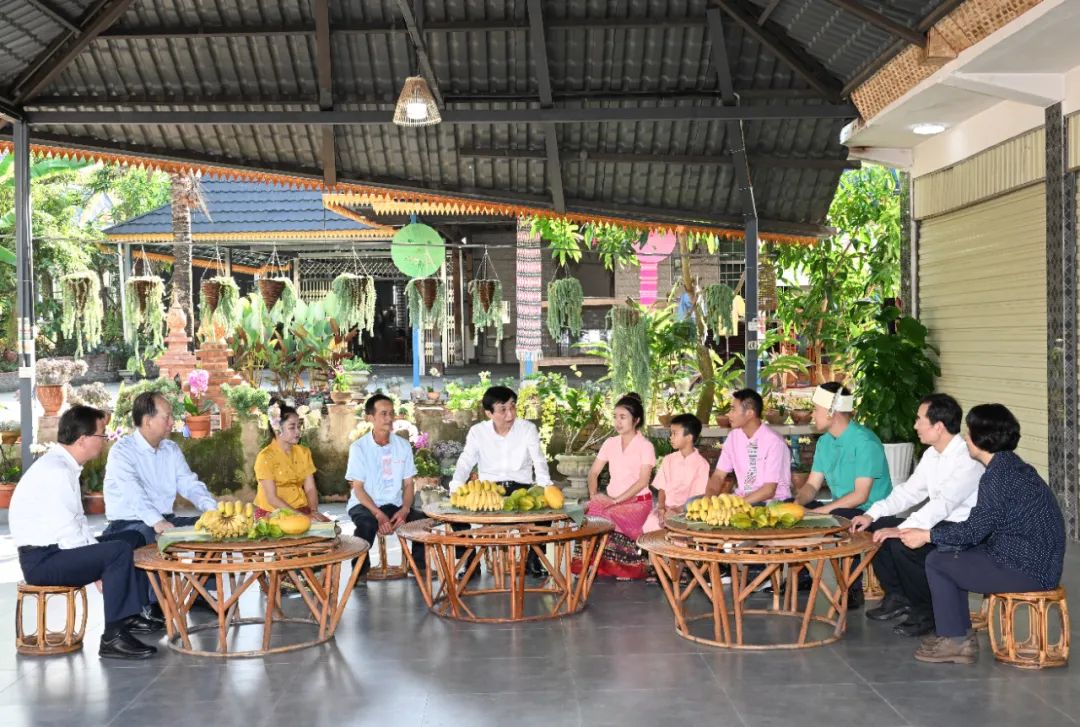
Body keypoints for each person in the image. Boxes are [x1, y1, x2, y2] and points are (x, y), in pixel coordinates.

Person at [900, 404, 1066, 665]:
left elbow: (974, 530)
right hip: (1033, 561)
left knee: (938, 561)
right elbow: (981, 527)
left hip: (1028, 569)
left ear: (982, 438)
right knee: (950, 553)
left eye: (969, 432)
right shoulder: (1011, 466)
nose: (965, 438)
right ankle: (957, 633)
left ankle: (956, 639)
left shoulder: (997, 476)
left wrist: (927, 535)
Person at [10, 406, 161, 660]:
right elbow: (68, 533)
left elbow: (78, 524)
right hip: (42, 561)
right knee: (117, 552)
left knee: (132, 537)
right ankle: (113, 636)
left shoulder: (64, 466)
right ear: (82, 440)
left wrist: (97, 557)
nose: (105, 439)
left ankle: (129, 616)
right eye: (101, 434)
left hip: (57, 550)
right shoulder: (57, 471)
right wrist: (99, 567)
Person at [849, 394, 983, 637]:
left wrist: (902, 530)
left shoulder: (967, 458)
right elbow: (909, 492)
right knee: (878, 527)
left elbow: (943, 505)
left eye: (920, 419)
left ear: (938, 426)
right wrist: (871, 514)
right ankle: (899, 597)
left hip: (962, 529)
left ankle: (927, 612)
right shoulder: (932, 454)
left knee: (902, 544)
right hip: (939, 522)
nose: (915, 425)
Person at [795, 382, 893, 608]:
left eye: (816, 409)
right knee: (790, 507)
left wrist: (817, 513)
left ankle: (851, 589)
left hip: (872, 511)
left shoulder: (865, 442)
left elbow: (860, 496)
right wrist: (798, 503)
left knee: (841, 515)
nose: (812, 415)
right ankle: (801, 577)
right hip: (841, 507)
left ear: (832, 412)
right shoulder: (824, 442)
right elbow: (812, 485)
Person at [450, 385, 553, 578]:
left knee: (545, 507)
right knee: (455, 513)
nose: (510, 414)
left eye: (512, 406)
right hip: (489, 489)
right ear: (489, 413)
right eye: (503, 409)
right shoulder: (478, 432)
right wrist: (455, 485)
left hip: (521, 487)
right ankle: (470, 560)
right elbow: (466, 461)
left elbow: (538, 459)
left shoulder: (527, 429)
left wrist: (545, 485)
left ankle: (534, 557)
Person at [102, 391, 219, 545]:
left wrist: (212, 511)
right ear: (147, 421)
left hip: (166, 520)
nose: (172, 422)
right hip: (127, 525)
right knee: (148, 535)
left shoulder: (171, 449)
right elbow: (134, 494)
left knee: (211, 527)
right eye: (167, 417)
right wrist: (157, 521)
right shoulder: (122, 451)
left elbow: (189, 484)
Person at [346, 394, 426, 579]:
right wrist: (378, 514)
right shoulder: (359, 448)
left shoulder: (403, 445)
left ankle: (419, 566)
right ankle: (359, 572)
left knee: (421, 521)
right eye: (383, 413)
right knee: (366, 524)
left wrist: (405, 510)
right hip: (364, 504)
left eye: (391, 413)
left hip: (394, 504)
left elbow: (409, 484)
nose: (389, 418)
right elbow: (358, 488)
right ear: (370, 418)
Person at [584, 393, 657, 580]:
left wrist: (615, 501)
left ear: (636, 420)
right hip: (613, 501)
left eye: (623, 417)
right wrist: (594, 494)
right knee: (590, 512)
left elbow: (643, 481)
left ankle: (626, 567)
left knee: (609, 514)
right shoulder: (610, 443)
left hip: (638, 503)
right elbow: (593, 473)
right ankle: (591, 564)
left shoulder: (645, 446)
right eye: (615, 416)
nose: (618, 422)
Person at [706, 389, 792, 504]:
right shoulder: (733, 437)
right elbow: (718, 476)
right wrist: (708, 500)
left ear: (750, 413)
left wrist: (737, 506)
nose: (729, 414)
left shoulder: (774, 442)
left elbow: (769, 490)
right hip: (743, 499)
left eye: (733, 409)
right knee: (692, 503)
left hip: (772, 502)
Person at [253, 400, 328, 521]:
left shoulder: (304, 452)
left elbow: (310, 488)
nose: (298, 431)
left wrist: (313, 511)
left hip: (302, 509)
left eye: (299, 426)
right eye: (292, 427)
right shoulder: (265, 457)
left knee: (333, 528)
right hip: (273, 513)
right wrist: (302, 517)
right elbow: (272, 499)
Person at [643, 414, 709, 533]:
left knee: (680, 532)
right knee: (650, 524)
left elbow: (697, 498)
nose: (671, 437)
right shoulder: (668, 459)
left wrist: (676, 511)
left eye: (675, 434)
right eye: (671, 433)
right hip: (666, 508)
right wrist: (661, 508)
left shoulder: (702, 465)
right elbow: (662, 488)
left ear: (689, 437)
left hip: (687, 511)